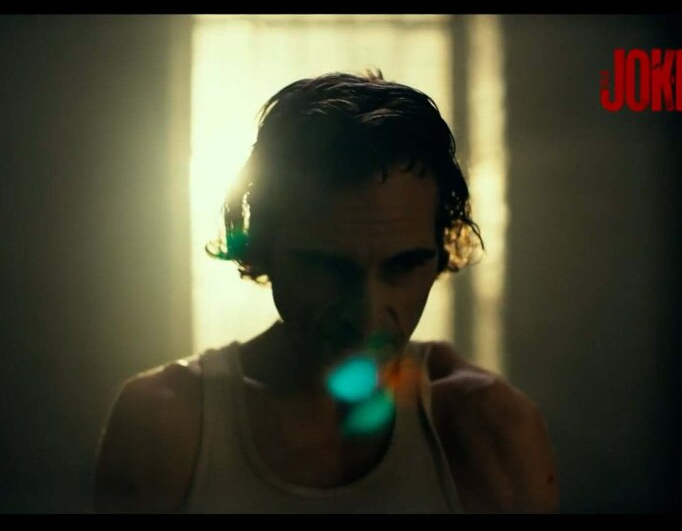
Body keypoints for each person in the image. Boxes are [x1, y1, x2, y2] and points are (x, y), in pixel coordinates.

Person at [92, 70, 559, 513]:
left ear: (439, 254)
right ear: (265, 249)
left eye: (403, 266)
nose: (368, 314)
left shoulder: (494, 430)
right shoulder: (166, 425)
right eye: (329, 268)